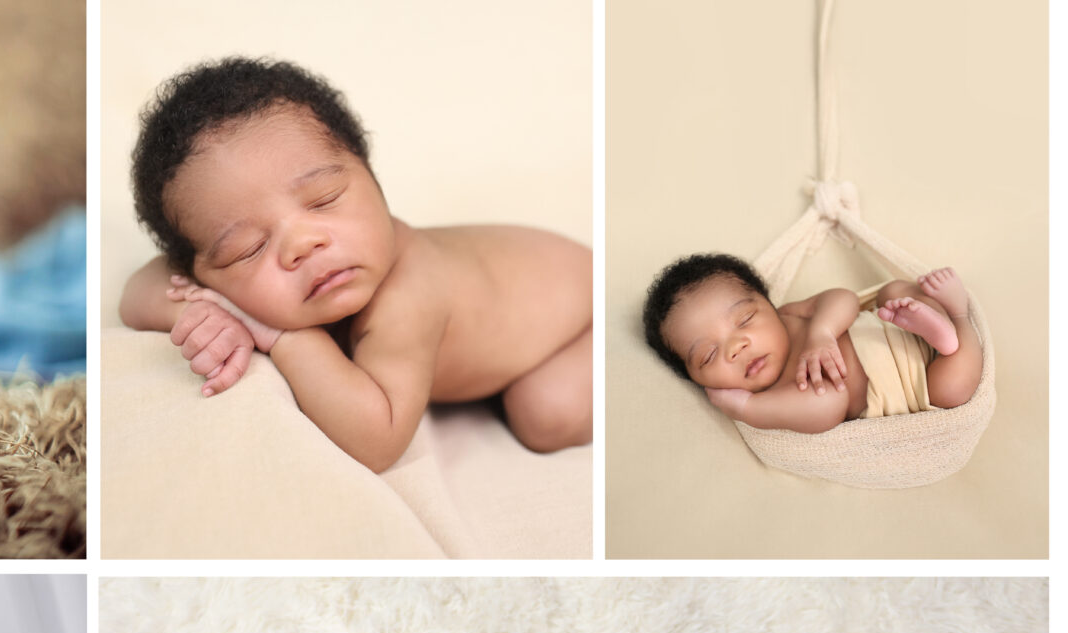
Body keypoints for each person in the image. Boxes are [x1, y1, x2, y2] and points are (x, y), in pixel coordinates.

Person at [118, 57, 591, 468]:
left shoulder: (407, 296)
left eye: (323, 200)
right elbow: (138, 292)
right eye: (248, 248)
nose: (302, 243)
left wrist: (286, 338)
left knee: (545, 413)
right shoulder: (227, 276)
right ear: (204, 272)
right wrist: (203, 314)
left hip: (576, 314)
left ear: (374, 179)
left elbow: (378, 442)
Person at [643, 252, 982, 432]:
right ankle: (956, 322)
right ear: (695, 380)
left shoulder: (791, 317)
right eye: (708, 355)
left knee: (892, 291)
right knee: (952, 388)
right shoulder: (774, 398)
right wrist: (749, 408)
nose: (736, 346)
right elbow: (829, 405)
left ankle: (942, 315)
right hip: (919, 380)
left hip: (893, 325)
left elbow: (845, 299)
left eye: (745, 319)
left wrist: (822, 332)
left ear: (768, 305)